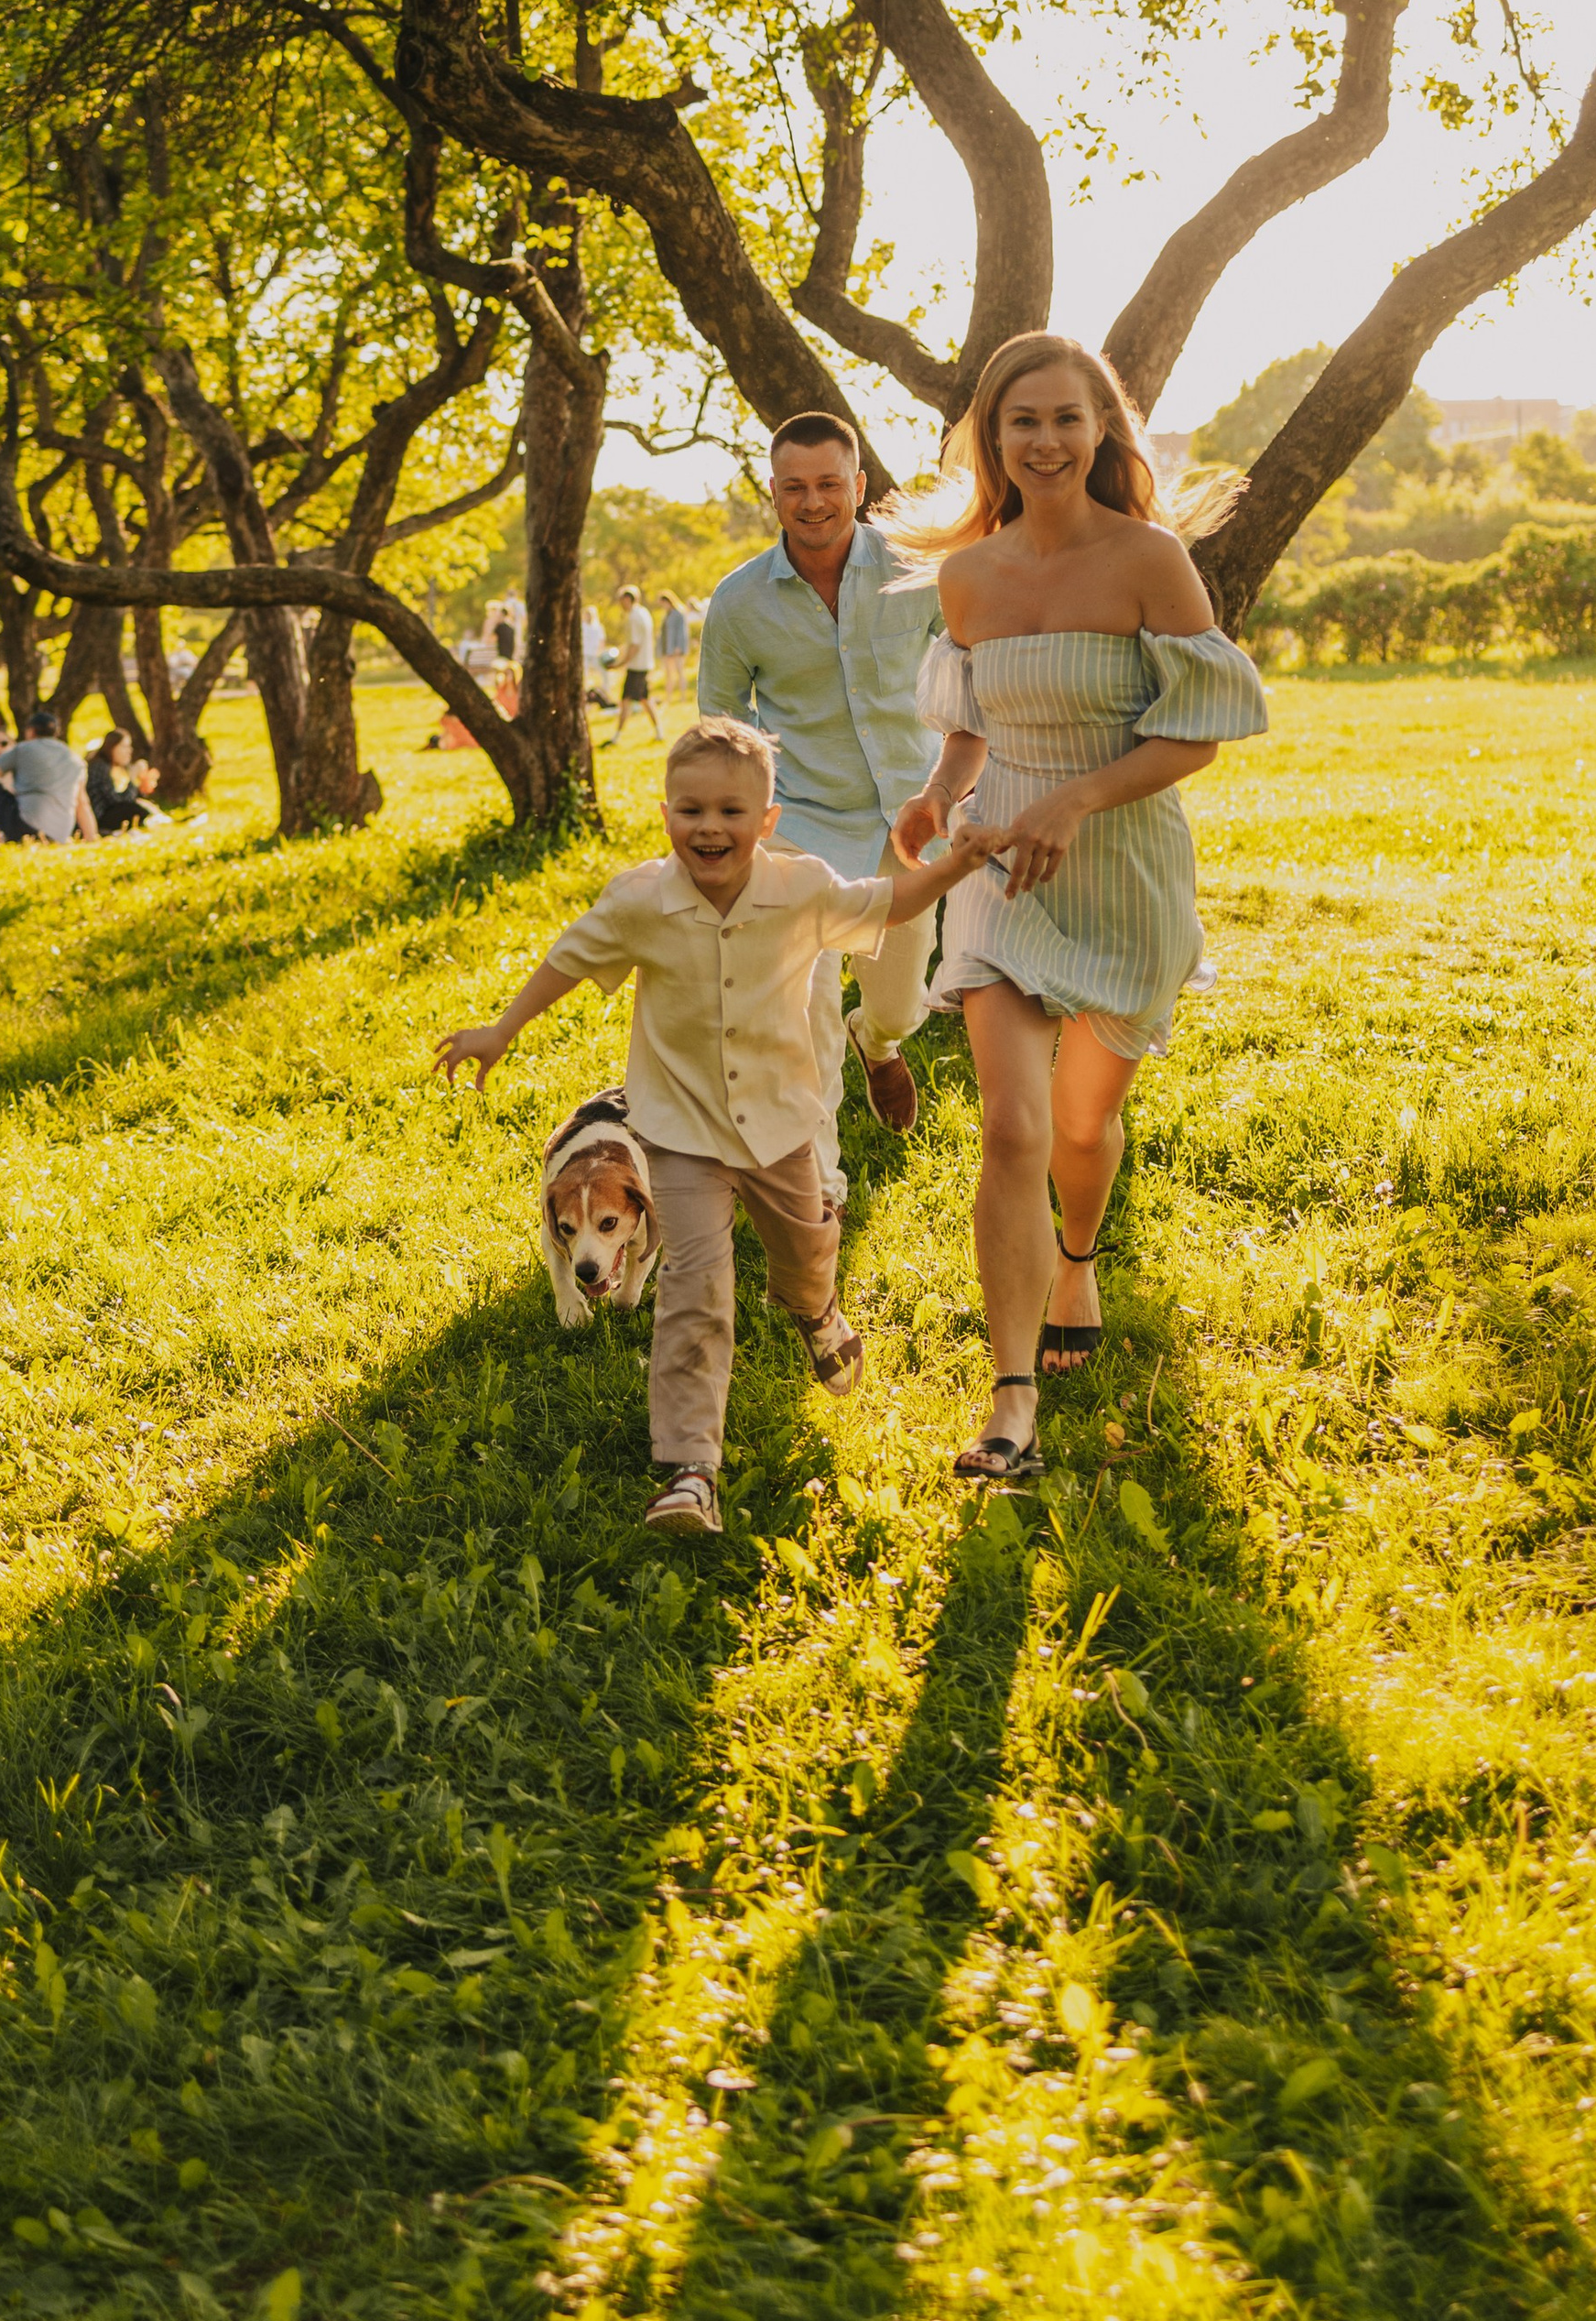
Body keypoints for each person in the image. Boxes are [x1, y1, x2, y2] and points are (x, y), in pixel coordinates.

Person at [434, 715, 985, 1539]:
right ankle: (690, 1471)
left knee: (804, 1252)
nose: (710, 826)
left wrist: (958, 864)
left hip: (779, 1125)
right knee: (693, 1289)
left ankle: (816, 1312)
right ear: (666, 815)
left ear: (767, 821)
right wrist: (500, 1031)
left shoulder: (800, 888)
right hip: (678, 1133)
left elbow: (887, 899)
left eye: (732, 811)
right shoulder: (641, 901)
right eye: (690, 809)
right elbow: (569, 958)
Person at [887, 332, 1268, 1487]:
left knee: (1082, 1130)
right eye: (1021, 422)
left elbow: (1194, 733)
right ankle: (1008, 1402)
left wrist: (1075, 802)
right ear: (992, 440)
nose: (1044, 441)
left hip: (1121, 868)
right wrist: (940, 793)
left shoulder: (1151, 560)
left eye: (1065, 419)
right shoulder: (972, 576)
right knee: (1011, 1128)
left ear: (1102, 432)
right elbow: (968, 721)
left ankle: (1079, 1256)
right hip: (1003, 868)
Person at [699, 411, 946, 1199]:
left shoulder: (919, 567)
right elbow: (718, 728)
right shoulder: (738, 602)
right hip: (800, 829)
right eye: (795, 487)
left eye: (829, 485)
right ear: (773, 492)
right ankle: (820, 1186)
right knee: (802, 1013)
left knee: (902, 1000)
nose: (813, 502)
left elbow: (968, 667)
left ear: (859, 486)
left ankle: (878, 1040)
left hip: (908, 825)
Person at [0, 710, 99, 847]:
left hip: (25, 829)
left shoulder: (23, 749)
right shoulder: (73, 757)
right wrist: (91, 839)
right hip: (59, 835)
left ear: (30, 731)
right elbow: (82, 803)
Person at [612, 585, 663, 745]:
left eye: (621, 601)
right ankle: (659, 732)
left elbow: (635, 645)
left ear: (627, 599)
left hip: (636, 666)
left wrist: (621, 663)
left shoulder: (634, 616)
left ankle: (617, 736)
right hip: (645, 663)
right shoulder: (644, 613)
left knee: (626, 700)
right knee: (645, 700)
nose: (621, 605)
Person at [86, 729, 162, 834]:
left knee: (141, 806)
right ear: (112, 747)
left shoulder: (116, 767)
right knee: (133, 809)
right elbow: (117, 801)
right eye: (125, 746)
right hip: (99, 819)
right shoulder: (100, 767)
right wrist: (132, 777)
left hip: (108, 813)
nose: (130, 751)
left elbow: (128, 798)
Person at [657, 591, 690, 699]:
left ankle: (683, 696)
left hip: (676, 649)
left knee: (680, 672)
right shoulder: (666, 615)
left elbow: (682, 632)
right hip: (668, 649)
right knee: (669, 674)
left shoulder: (678, 614)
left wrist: (679, 647)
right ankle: (669, 697)